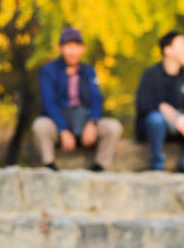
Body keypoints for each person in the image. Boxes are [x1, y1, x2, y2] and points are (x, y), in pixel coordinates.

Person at [32, 27, 123, 171]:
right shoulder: (48, 71)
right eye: (68, 46)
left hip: (83, 119)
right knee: (40, 126)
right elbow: (49, 103)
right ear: (60, 48)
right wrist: (63, 129)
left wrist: (93, 122)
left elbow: (96, 99)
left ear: (83, 48)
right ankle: (49, 165)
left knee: (113, 127)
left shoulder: (88, 71)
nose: (72, 51)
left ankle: (99, 166)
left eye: (76, 46)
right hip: (58, 120)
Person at [134, 31, 184, 172]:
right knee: (155, 119)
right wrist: (160, 106)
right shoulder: (151, 75)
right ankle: (157, 163)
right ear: (168, 50)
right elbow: (142, 104)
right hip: (159, 129)